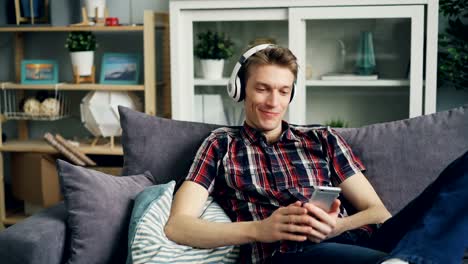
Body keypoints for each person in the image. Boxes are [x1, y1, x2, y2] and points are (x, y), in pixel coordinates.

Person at [164, 44, 468, 264]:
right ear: (240, 89)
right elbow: (178, 225)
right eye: (262, 89)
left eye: (283, 91)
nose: (273, 101)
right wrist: (262, 229)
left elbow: (377, 212)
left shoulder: (321, 138)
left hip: (360, 241)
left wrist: (335, 227)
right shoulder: (221, 144)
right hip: (289, 255)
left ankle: (403, 260)